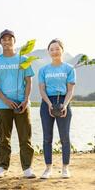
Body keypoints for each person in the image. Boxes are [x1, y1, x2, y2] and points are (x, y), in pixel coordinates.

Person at [0, 29, 36, 178]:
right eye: (4, 39)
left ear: (14, 41)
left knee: (25, 137)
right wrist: (6, 100)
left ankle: (27, 168)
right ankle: (3, 166)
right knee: (4, 137)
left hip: (22, 105)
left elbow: (29, 81)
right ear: (0, 42)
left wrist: (26, 99)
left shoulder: (23, 59)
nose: (7, 41)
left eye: (10, 39)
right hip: (4, 106)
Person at [38, 39, 76, 179]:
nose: (54, 51)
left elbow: (71, 90)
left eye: (57, 48)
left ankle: (65, 168)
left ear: (62, 50)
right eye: (51, 49)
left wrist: (65, 105)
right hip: (47, 102)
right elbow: (42, 89)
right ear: (48, 52)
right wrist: (48, 104)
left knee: (65, 138)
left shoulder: (69, 69)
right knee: (47, 138)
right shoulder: (43, 70)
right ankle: (48, 168)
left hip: (63, 101)